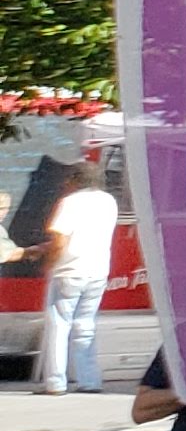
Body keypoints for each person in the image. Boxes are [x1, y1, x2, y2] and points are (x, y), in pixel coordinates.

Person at [31, 158, 118, 395]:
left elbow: (61, 239)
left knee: (59, 325)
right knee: (86, 326)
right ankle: (89, 380)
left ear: (75, 180)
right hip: (98, 270)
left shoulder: (69, 202)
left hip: (68, 271)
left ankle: (55, 382)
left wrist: (49, 263)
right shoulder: (108, 201)